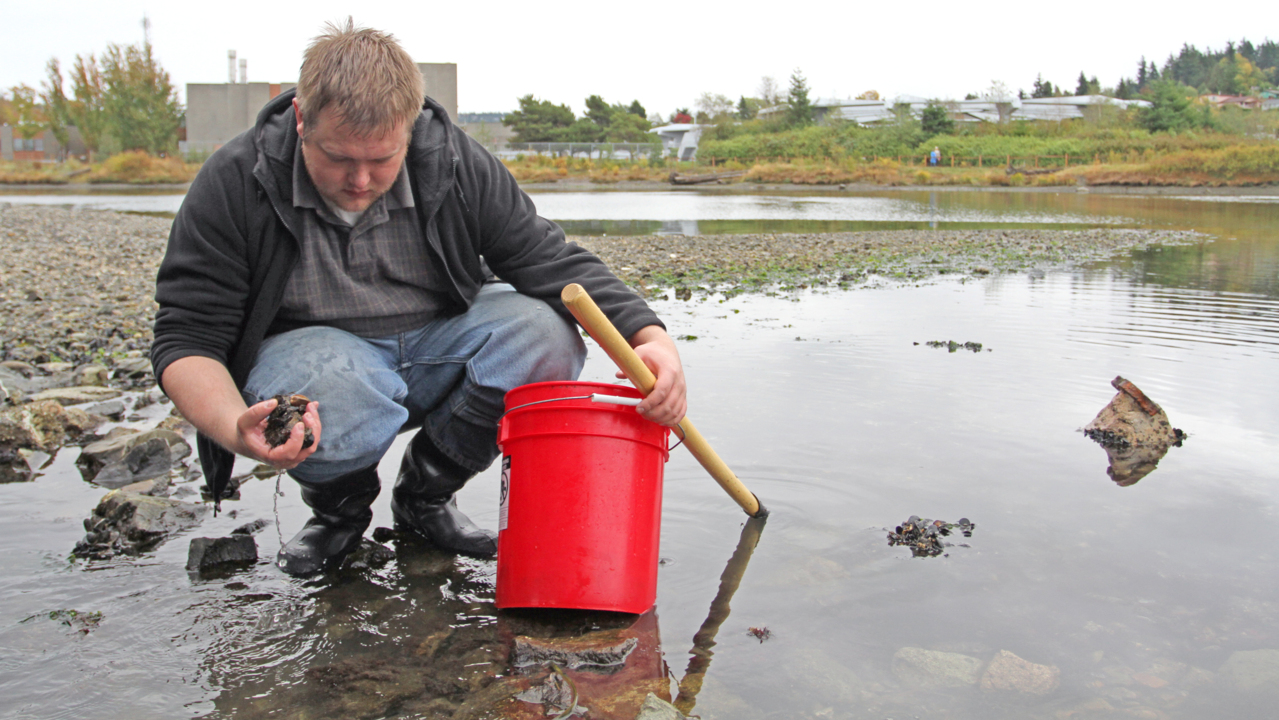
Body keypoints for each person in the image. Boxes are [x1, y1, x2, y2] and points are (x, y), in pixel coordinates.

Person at [151, 20, 686, 576]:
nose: (360, 180)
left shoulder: (453, 160)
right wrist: (234, 425)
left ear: (407, 131)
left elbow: (547, 259)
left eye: (381, 159)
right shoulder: (236, 181)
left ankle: (425, 497)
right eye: (337, 158)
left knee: (545, 332)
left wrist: (653, 340)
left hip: (437, 341)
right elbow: (186, 338)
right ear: (301, 120)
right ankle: (340, 513)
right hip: (320, 365)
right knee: (333, 379)